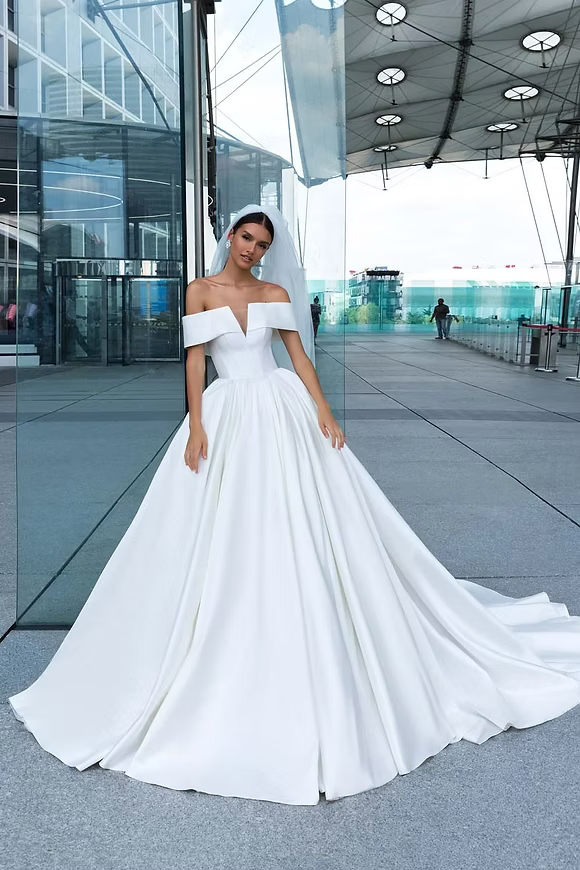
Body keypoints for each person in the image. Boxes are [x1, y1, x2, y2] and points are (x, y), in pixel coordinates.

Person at [9, 204, 580, 807]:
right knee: (207, 527)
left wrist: (323, 410)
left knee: (302, 516)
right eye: (246, 239)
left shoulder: (276, 291)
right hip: (226, 413)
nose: (252, 249)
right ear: (231, 237)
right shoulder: (200, 292)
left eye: (262, 243)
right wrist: (196, 425)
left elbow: (297, 356)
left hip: (279, 410)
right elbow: (197, 361)